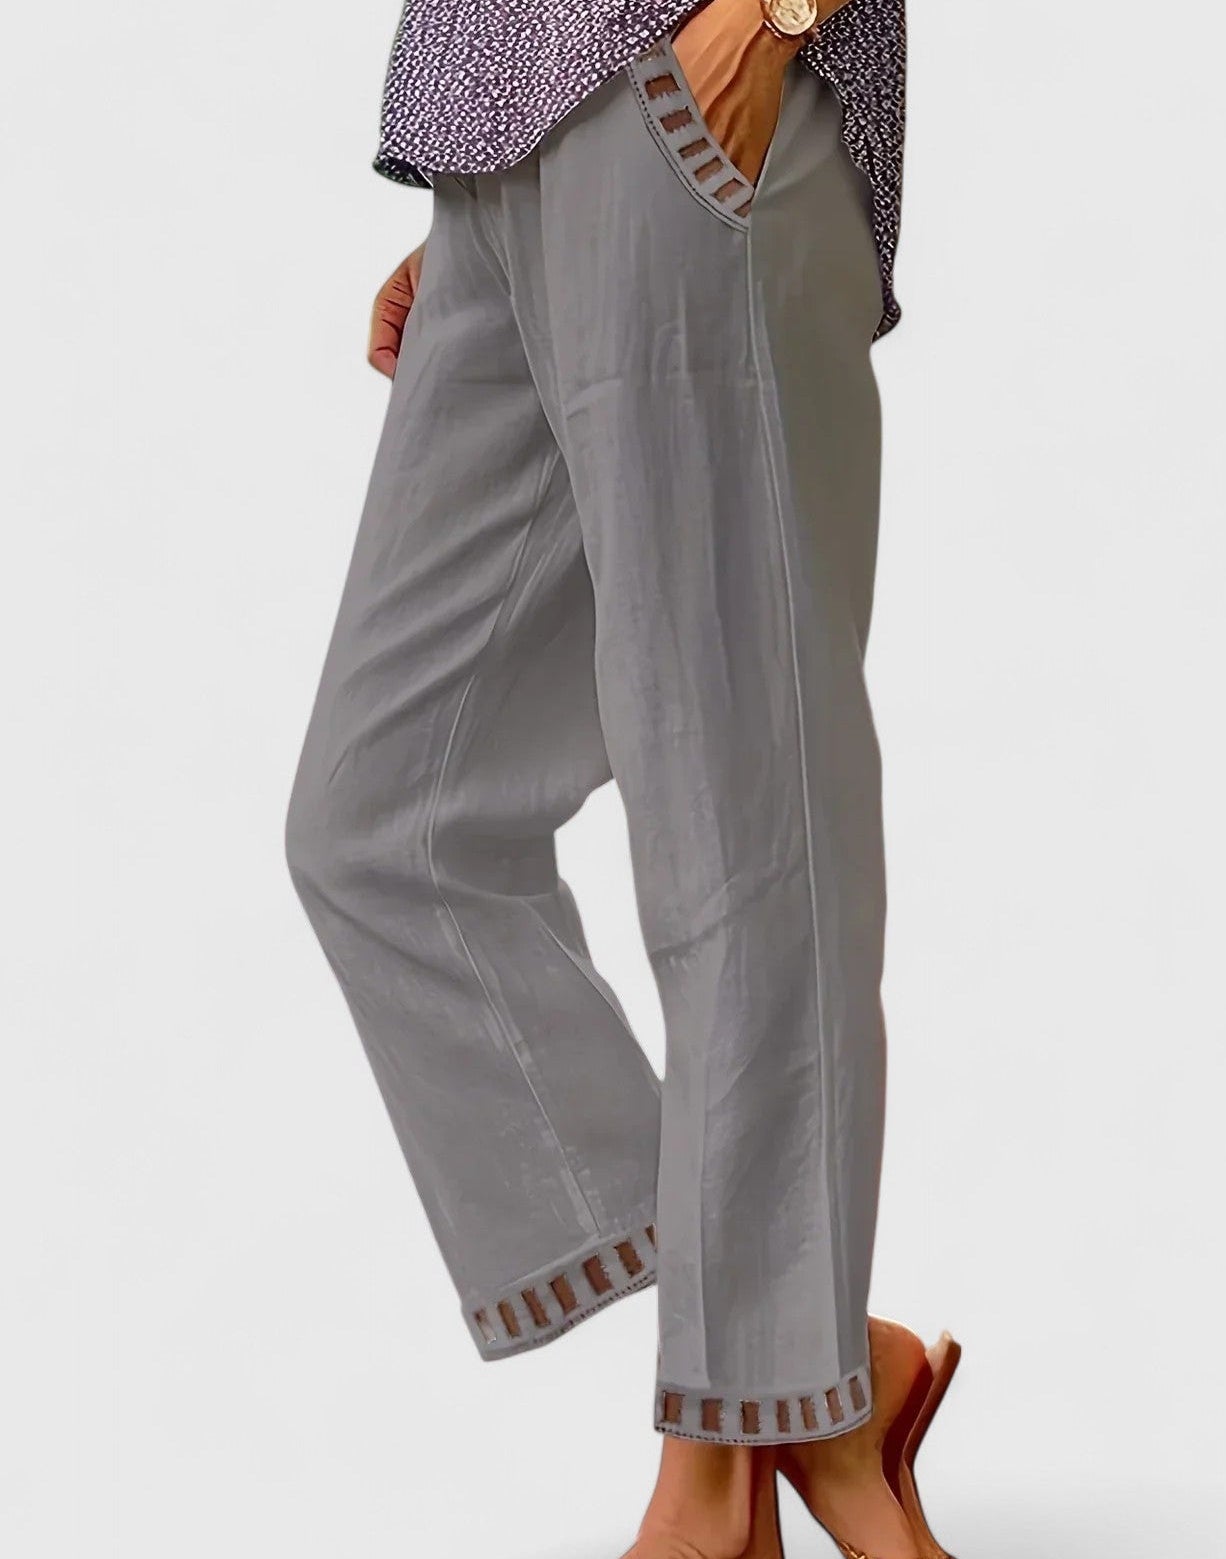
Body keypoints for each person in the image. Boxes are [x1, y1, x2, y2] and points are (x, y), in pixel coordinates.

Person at [285, 0, 960, 1552]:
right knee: (380, 823)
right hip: (504, 136)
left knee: (739, 820)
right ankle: (811, 1362)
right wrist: (498, 191)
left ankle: (722, 1478)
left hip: (691, 88)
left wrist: (775, 15)